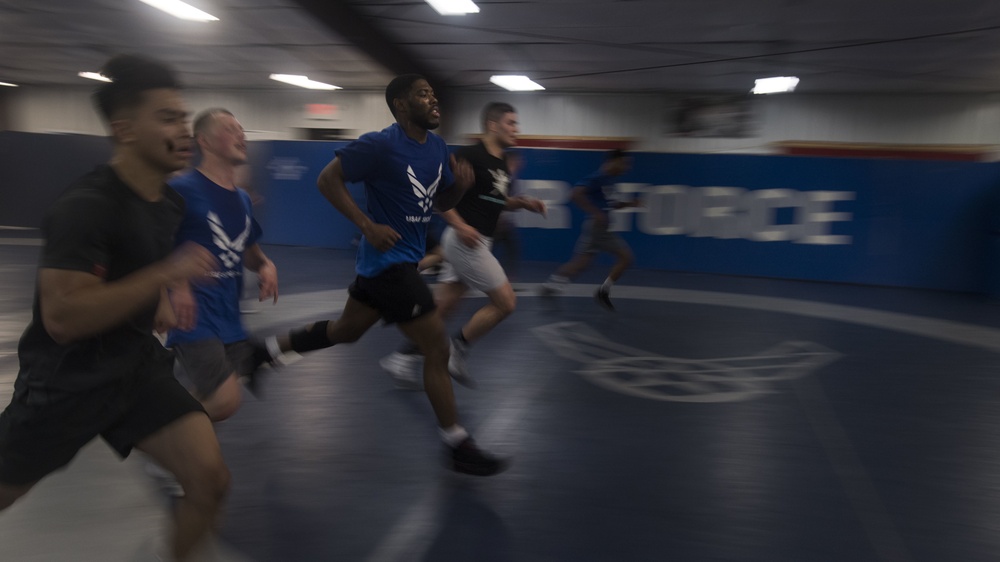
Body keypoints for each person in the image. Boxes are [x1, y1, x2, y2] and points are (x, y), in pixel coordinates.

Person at [0, 54, 228, 561]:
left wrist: (163, 297)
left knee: (209, 480)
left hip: (133, 369)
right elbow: (62, 319)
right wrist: (166, 277)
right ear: (124, 129)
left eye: (183, 117)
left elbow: (138, 266)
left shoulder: (167, 203)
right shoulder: (85, 207)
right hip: (65, 383)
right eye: (167, 118)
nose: (183, 130)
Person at [258, 75, 509, 476]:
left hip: (396, 264)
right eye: (423, 93)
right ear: (401, 105)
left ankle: (262, 352)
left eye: (433, 93)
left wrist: (459, 189)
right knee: (438, 349)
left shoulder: (439, 148)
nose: (433, 99)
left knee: (345, 331)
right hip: (388, 263)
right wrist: (367, 224)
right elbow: (327, 180)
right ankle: (457, 442)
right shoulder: (380, 144)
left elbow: (439, 199)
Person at [379, 102, 546, 388]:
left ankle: (401, 358)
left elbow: (495, 199)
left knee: (442, 310)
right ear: (492, 125)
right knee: (506, 303)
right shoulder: (469, 156)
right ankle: (458, 348)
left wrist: (522, 202)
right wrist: (460, 225)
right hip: (466, 242)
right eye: (510, 123)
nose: (516, 129)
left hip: (475, 241)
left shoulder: (502, 161)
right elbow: (438, 199)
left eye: (516, 124)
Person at [166, 108, 279, 422]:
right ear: (205, 141)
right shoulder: (182, 189)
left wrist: (266, 265)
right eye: (230, 129)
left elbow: (248, 250)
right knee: (226, 399)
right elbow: (152, 244)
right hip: (192, 317)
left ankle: (177, 448)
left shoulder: (241, 199)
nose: (241, 135)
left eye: (242, 130)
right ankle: (160, 433)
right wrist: (176, 286)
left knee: (211, 400)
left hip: (228, 317)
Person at [541, 149, 639, 311]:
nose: (627, 168)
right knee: (626, 257)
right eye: (624, 163)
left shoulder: (609, 181)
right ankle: (603, 291)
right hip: (597, 229)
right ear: (613, 161)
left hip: (599, 229)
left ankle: (551, 285)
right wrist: (596, 213)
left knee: (581, 263)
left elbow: (611, 204)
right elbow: (575, 194)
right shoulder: (598, 177)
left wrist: (629, 204)